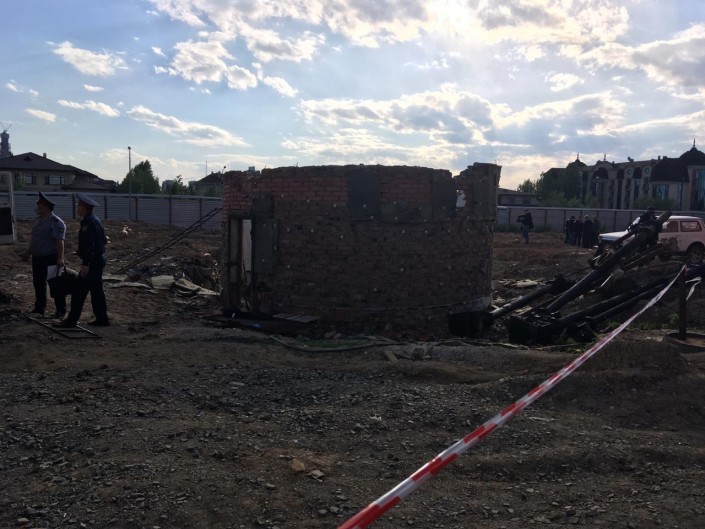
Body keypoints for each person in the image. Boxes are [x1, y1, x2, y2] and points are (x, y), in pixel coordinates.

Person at [55, 193, 110, 328]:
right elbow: (103, 240)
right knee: (96, 291)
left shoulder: (87, 222)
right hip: (99, 259)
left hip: (92, 262)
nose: (77, 208)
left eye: (78, 205)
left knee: (78, 291)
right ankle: (102, 318)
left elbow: (90, 245)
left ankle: (71, 320)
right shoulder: (96, 219)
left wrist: (86, 263)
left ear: (84, 207)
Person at [22, 192, 67, 318]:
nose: (38, 206)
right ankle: (40, 308)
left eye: (40, 204)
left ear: (46, 206)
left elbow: (59, 242)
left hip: (50, 257)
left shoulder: (56, 222)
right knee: (38, 283)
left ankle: (60, 310)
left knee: (55, 284)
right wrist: (28, 252)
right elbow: (35, 239)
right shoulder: (38, 220)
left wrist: (60, 258)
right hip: (37, 257)